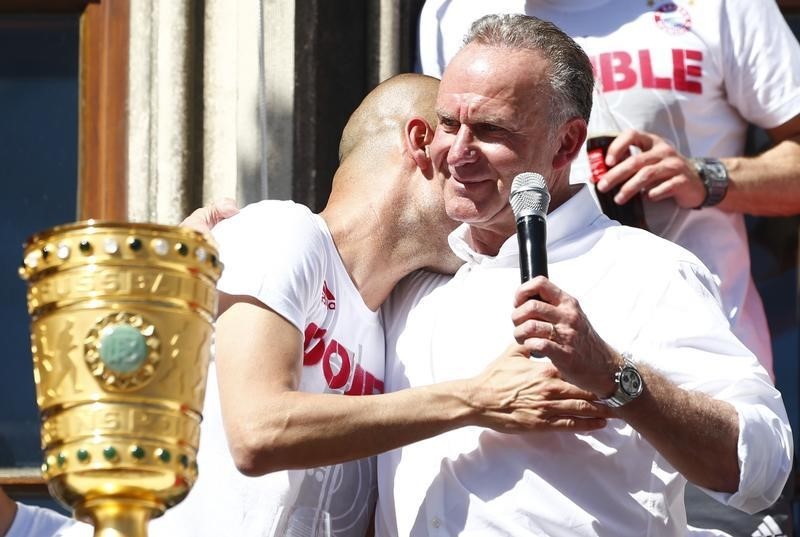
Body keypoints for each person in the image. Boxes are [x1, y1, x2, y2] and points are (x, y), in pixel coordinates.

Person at [5, 73, 611, 537]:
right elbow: (259, 433)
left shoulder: (395, 319)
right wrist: (477, 399)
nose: (489, 200)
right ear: (423, 142)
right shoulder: (283, 232)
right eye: (465, 137)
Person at [374, 14, 793, 536]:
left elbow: (761, 469)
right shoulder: (405, 277)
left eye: (491, 130)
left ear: (567, 143)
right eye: (450, 125)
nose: (458, 153)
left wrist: (613, 375)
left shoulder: (646, 271)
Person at [418, 0, 800, 381]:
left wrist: (705, 178)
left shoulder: (720, 6)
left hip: (689, 346)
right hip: (503, 347)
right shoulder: (453, 11)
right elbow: (450, 162)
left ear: (570, 143)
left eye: (492, 128)